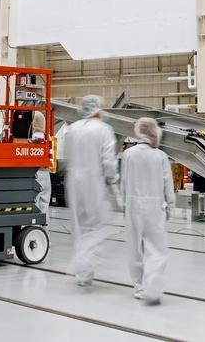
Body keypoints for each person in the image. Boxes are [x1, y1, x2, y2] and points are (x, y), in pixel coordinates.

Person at [61, 95, 120, 287]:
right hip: (93, 181)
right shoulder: (104, 129)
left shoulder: (72, 129)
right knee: (100, 225)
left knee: (80, 227)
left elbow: (65, 156)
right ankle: (83, 261)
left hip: (73, 181)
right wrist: (114, 183)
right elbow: (109, 161)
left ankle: (83, 274)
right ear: (96, 110)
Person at [121, 117, 174, 304]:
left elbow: (124, 183)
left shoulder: (128, 154)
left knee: (135, 248)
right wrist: (170, 207)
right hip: (155, 206)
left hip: (133, 205)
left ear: (138, 131)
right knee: (156, 249)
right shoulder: (160, 156)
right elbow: (168, 186)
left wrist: (124, 206)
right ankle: (153, 286)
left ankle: (139, 286)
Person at [30, 110, 51, 214]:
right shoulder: (48, 138)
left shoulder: (32, 139)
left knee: (34, 202)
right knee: (45, 204)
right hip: (46, 173)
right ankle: (44, 228)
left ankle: (34, 228)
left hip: (36, 173)